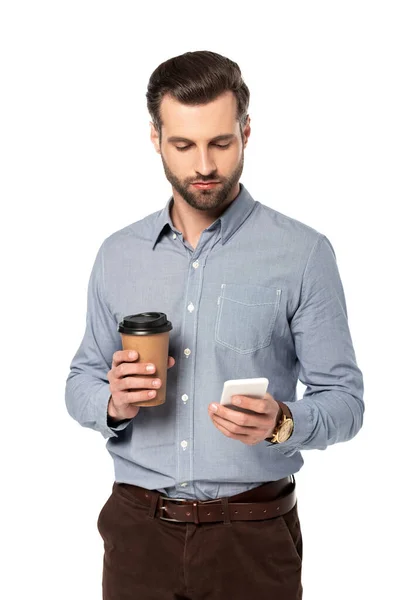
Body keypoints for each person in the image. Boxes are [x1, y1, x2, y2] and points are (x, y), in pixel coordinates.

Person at [65, 50, 364, 600]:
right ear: (156, 139)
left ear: (246, 132)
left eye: (220, 143)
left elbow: (345, 401)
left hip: (252, 536)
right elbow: (81, 377)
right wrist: (113, 404)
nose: (204, 164)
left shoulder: (303, 254)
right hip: (137, 534)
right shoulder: (117, 255)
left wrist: (283, 422)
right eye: (184, 144)